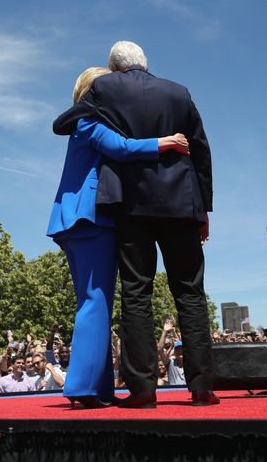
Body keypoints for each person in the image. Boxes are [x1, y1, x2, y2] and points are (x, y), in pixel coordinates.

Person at [53, 41, 217, 408]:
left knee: (136, 294)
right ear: (145, 62)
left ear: (114, 68)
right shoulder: (180, 92)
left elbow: (63, 122)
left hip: (132, 207)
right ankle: (203, 387)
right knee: (190, 292)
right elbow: (202, 150)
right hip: (181, 204)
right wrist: (204, 209)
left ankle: (142, 390)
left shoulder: (106, 90)